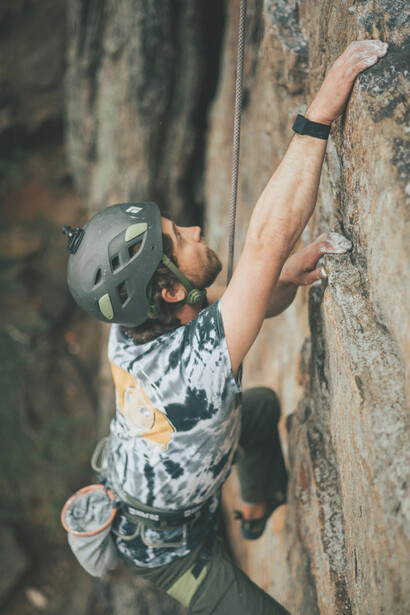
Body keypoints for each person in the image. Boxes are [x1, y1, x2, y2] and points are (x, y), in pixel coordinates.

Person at [63, 40, 388, 614]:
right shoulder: (195, 370)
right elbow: (267, 237)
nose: (192, 226)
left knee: (257, 408)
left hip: (155, 479)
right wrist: (320, 114)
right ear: (167, 290)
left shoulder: (134, 327)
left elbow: (249, 297)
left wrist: (277, 278)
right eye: (181, 239)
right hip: (168, 554)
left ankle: (258, 504)